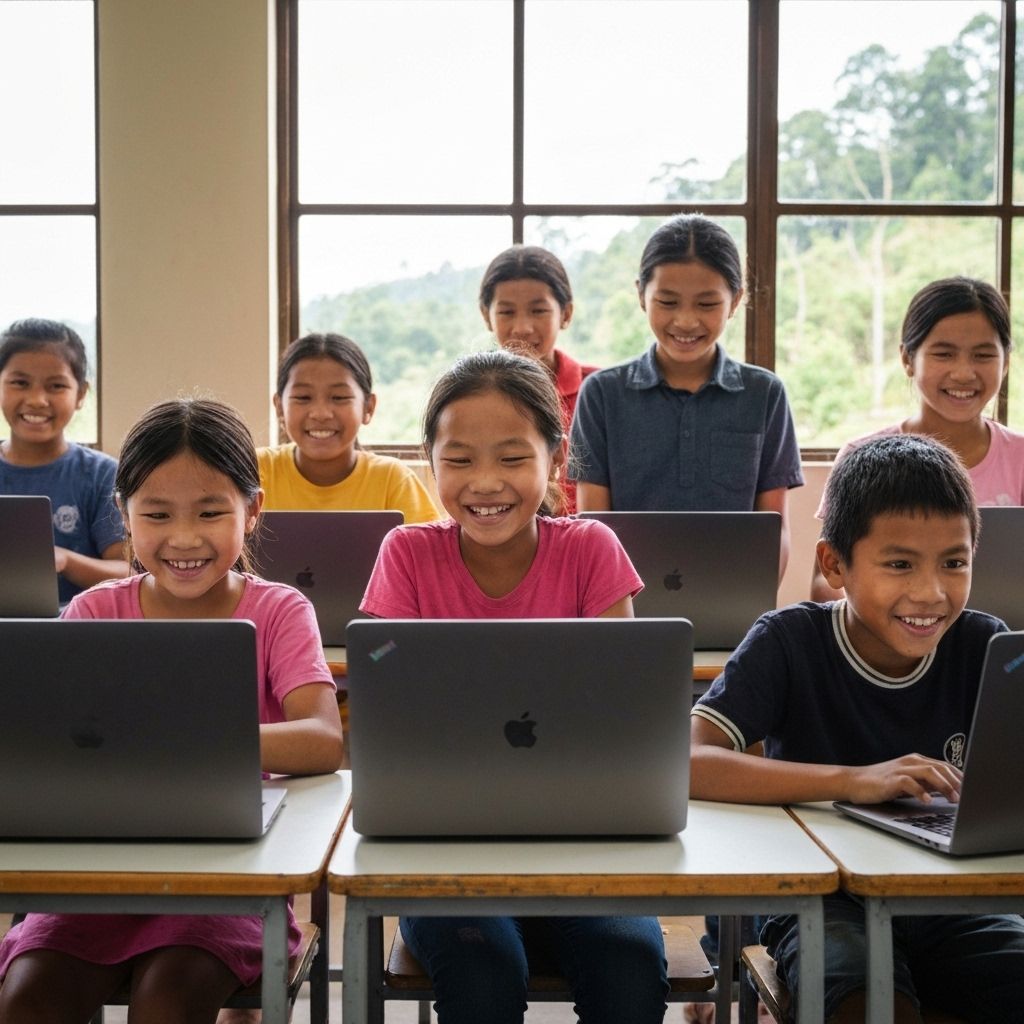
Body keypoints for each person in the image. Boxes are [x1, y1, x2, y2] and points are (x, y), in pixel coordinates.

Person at [0, 398, 344, 1024]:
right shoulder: (93, 612)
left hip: (226, 880)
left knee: (167, 1002)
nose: (184, 538)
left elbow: (323, 739)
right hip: (96, 875)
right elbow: (45, 742)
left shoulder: (278, 609)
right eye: (157, 515)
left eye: (211, 512)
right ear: (124, 515)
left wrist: (186, 740)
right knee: (27, 1001)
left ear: (253, 511)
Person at [361, 349, 668, 1024]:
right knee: (483, 976)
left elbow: (626, 708)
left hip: (582, 840)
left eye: (511, 458)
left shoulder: (591, 550)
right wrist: (388, 652)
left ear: (554, 462)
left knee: (629, 969)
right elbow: (382, 678)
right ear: (430, 463)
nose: (485, 482)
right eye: (459, 459)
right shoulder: (406, 554)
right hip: (442, 842)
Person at [691, 434, 1024, 1024]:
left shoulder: (985, 644)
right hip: (823, 900)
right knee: (864, 1002)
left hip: (954, 896)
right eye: (899, 564)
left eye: (954, 562)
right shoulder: (788, 641)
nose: (931, 592)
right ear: (834, 565)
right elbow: (688, 762)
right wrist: (852, 780)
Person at [569, 214, 802, 577]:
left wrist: (755, 598)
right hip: (621, 599)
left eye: (707, 304)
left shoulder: (765, 394)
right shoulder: (601, 394)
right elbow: (593, 528)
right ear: (641, 296)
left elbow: (774, 530)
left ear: (736, 301)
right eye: (668, 302)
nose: (686, 321)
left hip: (733, 598)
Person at [812, 276, 1024, 601]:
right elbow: (825, 582)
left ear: (1006, 362)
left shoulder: (1019, 458)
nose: (963, 373)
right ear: (908, 359)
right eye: (944, 354)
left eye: (983, 355)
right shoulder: (860, 455)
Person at [0, 317, 128, 603]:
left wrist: (66, 561)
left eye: (56, 386)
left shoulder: (102, 474)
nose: (37, 399)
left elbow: (128, 572)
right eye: (20, 383)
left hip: (77, 623)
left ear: (80, 394)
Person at [258, 332, 440, 523]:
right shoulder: (255, 471)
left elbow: (431, 542)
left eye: (339, 397)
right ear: (279, 407)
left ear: (368, 407)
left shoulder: (393, 481)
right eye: (303, 397)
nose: (321, 413)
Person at [479, 243, 598, 513]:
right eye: (506, 312)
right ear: (487, 316)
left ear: (566, 314)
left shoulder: (597, 392)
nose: (522, 327)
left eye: (538, 311)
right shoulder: (468, 394)